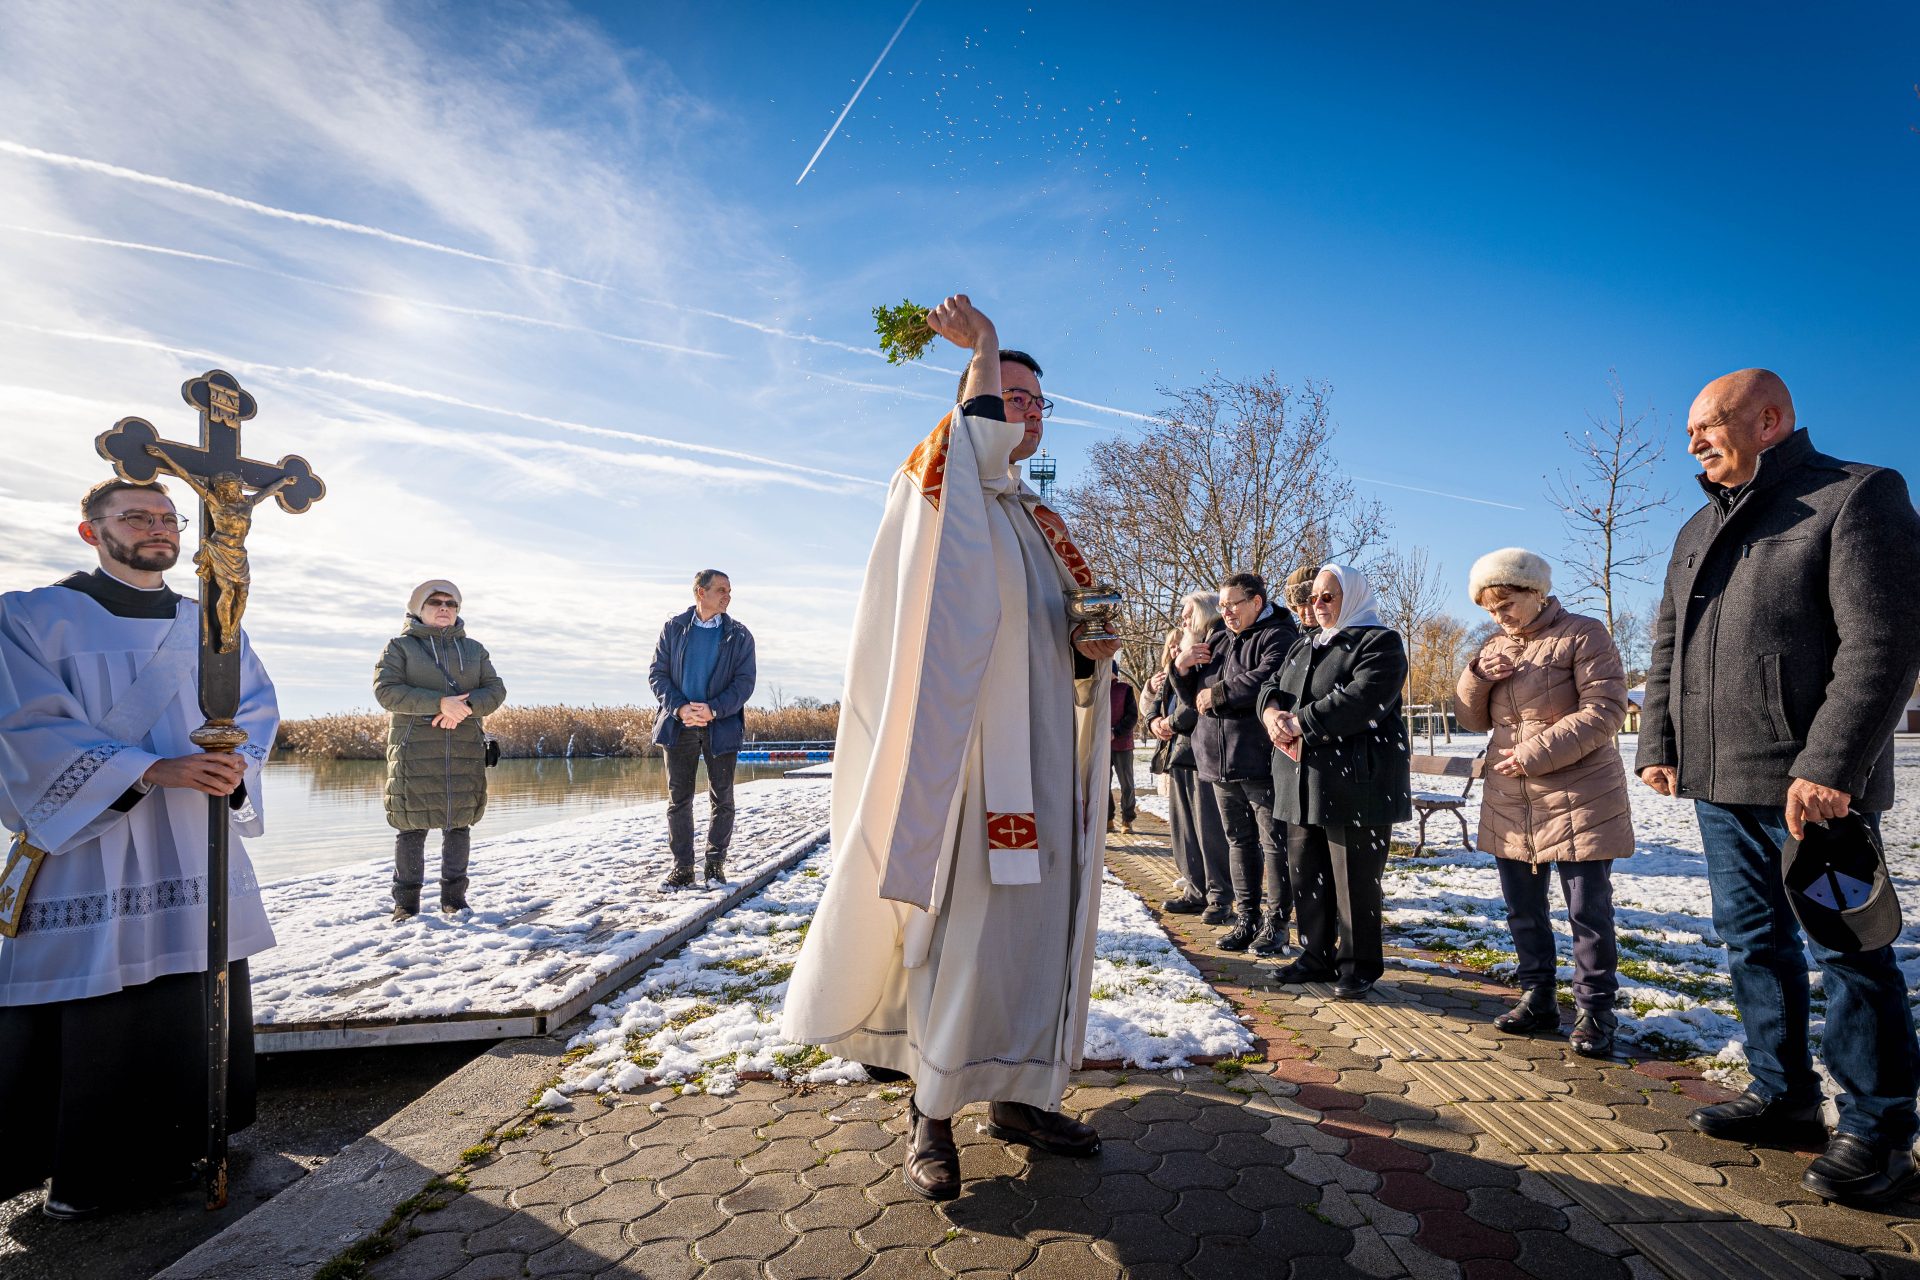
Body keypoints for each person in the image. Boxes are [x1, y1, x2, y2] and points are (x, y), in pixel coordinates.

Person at [783, 293, 1119, 1202]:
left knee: (1035, 936)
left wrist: (1090, 662)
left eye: (1040, 403)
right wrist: (985, 348)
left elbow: (1063, 649)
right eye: (1010, 395)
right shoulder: (939, 489)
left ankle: (1019, 1094)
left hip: (1043, 766)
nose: (1027, 414)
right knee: (958, 931)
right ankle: (930, 1112)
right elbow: (964, 482)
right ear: (970, 402)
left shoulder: (1041, 526)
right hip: (965, 768)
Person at [1637, 368, 1920, 1204]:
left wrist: (1831, 767)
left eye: (1706, 426)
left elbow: (1885, 643)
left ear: (1770, 420)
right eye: (1689, 430)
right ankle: (1785, 1095)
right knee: (1751, 943)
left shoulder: (1856, 496)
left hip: (1812, 794)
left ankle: (1877, 1128)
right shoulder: (1697, 525)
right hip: (1721, 786)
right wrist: (1661, 740)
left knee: (1851, 954)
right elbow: (1667, 647)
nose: (1690, 443)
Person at [0, 478, 278, 1219]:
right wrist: (147, 769)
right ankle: (86, 1172)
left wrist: (237, 760)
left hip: (194, 830)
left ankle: (194, 1143)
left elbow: (255, 703)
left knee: (194, 978)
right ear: (91, 531)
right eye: (136, 518)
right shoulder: (30, 618)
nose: (158, 529)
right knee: (99, 991)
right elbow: (23, 726)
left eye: (167, 517)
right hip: (91, 837)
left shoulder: (212, 620)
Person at [1454, 549, 1631, 1057]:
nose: (1499, 616)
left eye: (1506, 603)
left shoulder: (1584, 634)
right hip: (1513, 798)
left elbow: (1606, 709)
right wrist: (1477, 673)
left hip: (1580, 794)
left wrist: (1534, 753)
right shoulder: (1495, 645)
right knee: (1523, 909)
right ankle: (1538, 997)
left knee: (1587, 911)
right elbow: (1472, 719)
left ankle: (1597, 1011)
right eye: (1490, 609)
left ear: (1535, 593)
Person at [1258, 565, 1410, 1000]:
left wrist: (1300, 723)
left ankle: (1358, 965)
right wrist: (1271, 714)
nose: (1318, 606)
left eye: (1329, 597)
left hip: (1355, 783)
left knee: (1353, 879)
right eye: (1315, 598)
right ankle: (1315, 954)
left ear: (1354, 596)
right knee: (1307, 873)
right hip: (1301, 780)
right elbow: (1271, 687)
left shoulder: (1378, 641)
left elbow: (1364, 699)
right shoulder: (1305, 643)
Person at [1172, 572, 1298, 954]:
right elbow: (1195, 697)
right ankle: (1247, 918)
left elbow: (1268, 679)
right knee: (1238, 842)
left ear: (1256, 603)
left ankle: (1276, 925)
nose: (1225, 612)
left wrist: (1220, 693)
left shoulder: (1278, 635)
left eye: (1233, 604)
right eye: (1222, 605)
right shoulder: (1218, 640)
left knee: (1273, 844)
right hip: (1217, 760)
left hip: (1259, 759)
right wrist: (1182, 668)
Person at [374, 580, 507, 919]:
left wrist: (463, 708)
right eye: (436, 602)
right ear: (419, 608)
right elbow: (386, 691)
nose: (445, 607)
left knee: (459, 823)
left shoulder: (475, 650)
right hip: (414, 748)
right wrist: (439, 704)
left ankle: (455, 900)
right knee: (411, 826)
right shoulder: (399, 647)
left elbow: (495, 690)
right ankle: (406, 905)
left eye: (451, 603)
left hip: (463, 747)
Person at [648, 571, 756, 891]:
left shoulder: (740, 635)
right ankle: (683, 868)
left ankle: (714, 864)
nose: (728, 595)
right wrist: (680, 708)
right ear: (700, 592)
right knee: (678, 799)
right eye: (721, 589)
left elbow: (744, 682)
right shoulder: (674, 629)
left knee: (722, 798)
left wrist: (714, 710)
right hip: (677, 724)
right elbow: (658, 674)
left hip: (720, 726)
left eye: (730, 590)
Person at [1146, 601, 1231, 920]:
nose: (1182, 621)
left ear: (1205, 613)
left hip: (1203, 752)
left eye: (1188, 615)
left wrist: (1171, 723)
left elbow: (1199, 699)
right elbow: (1162, 694)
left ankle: (1218, 895)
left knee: (1209, 830)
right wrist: (1154, 719)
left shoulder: (1215, 646)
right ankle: (1195, 891)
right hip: (1178, 754)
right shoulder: (1185, 649)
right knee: (1184, 832)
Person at [1108, 675, 1139, 835]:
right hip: (1102, 746)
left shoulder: (1125, 689)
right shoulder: (1095, 688)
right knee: (1102, 785)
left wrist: (1116, 732)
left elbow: (1132, 716)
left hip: (1123, 744)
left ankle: (1127, 819)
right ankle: (1108, 819)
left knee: (1126, 784)